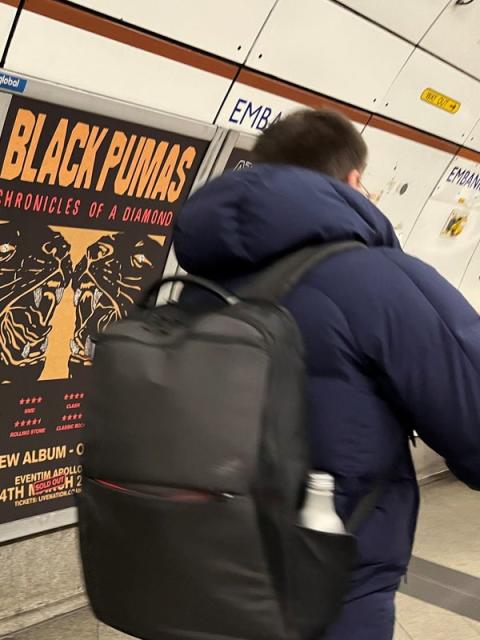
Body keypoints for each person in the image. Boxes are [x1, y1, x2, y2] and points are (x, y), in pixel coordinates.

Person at [173, 108, 480, 639]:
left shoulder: (196, 285)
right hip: (326, 578)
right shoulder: (383, 279)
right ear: (356, 182)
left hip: (202, 561)